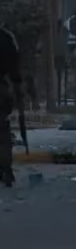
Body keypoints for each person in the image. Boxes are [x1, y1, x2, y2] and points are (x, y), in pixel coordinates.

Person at [0, 25, 22, 187]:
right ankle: (6, 169)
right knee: (2, 130)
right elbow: (14, 68)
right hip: (2, 89)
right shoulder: (7, 38)